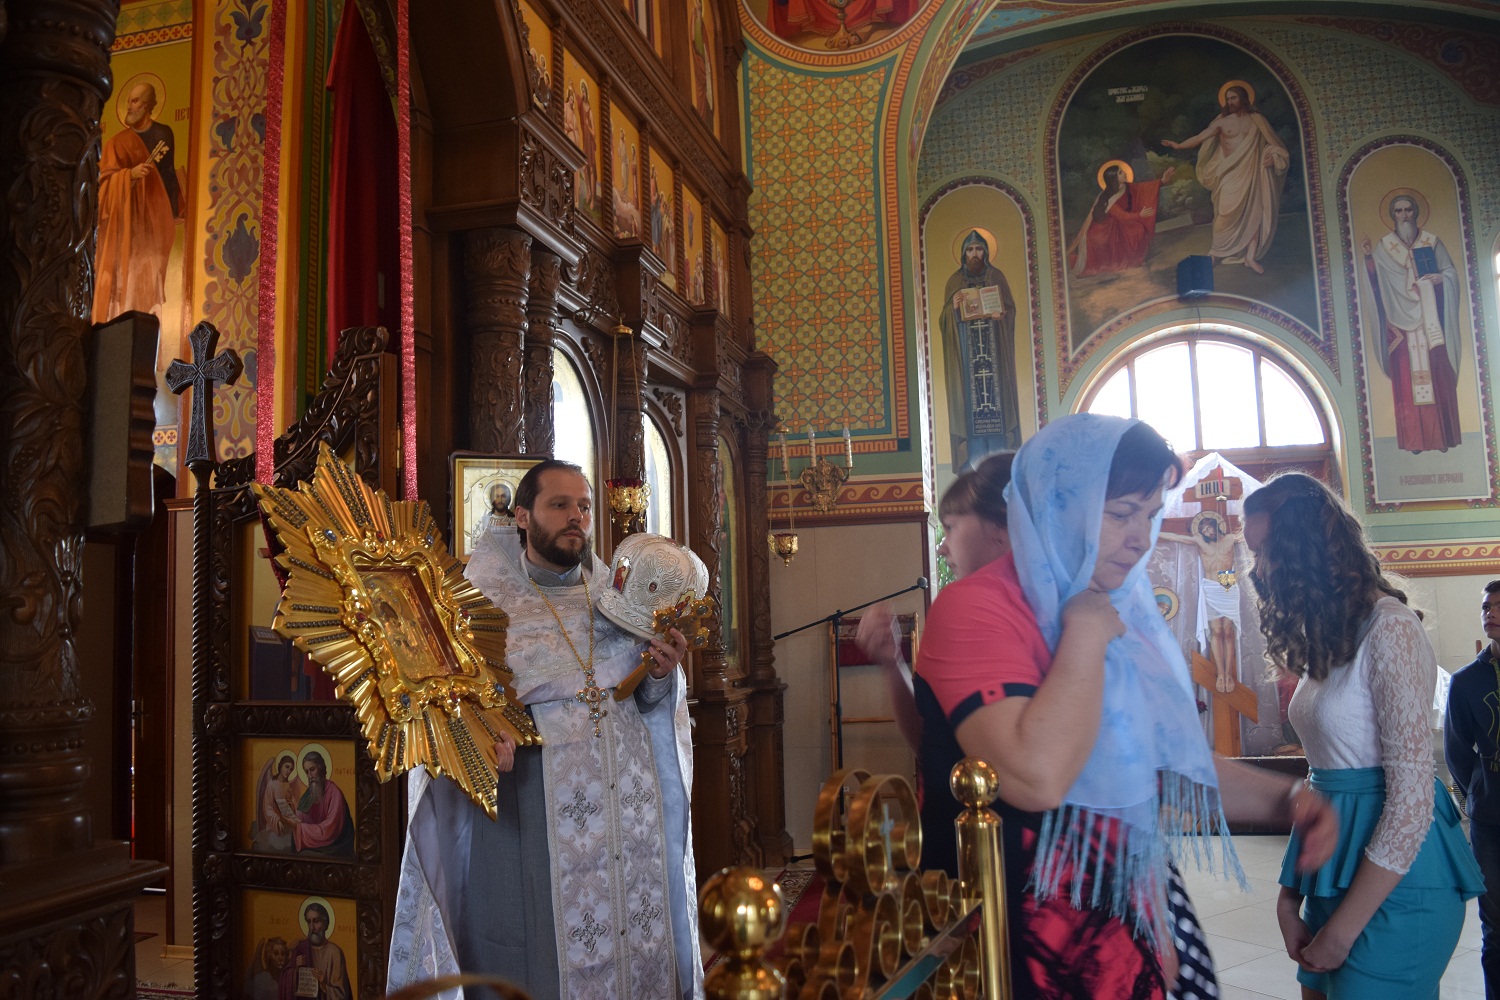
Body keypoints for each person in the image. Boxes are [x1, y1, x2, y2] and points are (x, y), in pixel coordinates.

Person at [916, 414, 1338, 999]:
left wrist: (1285, 800)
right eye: (1121, 514)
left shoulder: (1118, 608)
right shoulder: (978, 607)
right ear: (1060, 507)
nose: (1142, 537)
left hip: (1123, 900)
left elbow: (1156, 764)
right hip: (1015, 927)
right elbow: (1035, 777)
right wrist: (1085, 634)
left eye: (1150, 514)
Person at [388, 459, 702, 1000]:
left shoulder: (618, 598)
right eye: (559, 505)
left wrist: (659, 676)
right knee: (543, 956)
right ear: (522, 517)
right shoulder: (478, 604)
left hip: (629, 822)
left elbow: (647, 704)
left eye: (583, 506)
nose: (576, 517)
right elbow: (451, 712)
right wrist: (483, 738)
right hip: (536, 813)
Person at [1243, 472, 1483, 999]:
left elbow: (1413, 798)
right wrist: (1289, 896)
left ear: (1307, 544)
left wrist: (1343, 930)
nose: (1261, 569)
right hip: (1334, 864)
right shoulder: (1332, 634)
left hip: (1396, 880)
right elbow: (1323, 780)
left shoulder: (1388, 627)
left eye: (1267, 551)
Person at [855, 453, 1013, 866]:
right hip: (969, 830)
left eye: (951, 527)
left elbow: (1022, 777)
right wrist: (892, 664)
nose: (942, 546)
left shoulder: (964, 607)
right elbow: (928, 741)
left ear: (1000, 528)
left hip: (984, 840)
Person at [1360, 192, 1462, 454]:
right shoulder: (1384, 247)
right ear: (1393, 216)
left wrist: (1442, 279)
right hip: (1400, 325)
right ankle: (1414, 442)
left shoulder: (1431, 242)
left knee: (1438, 377)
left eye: (1408, 210)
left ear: (1415, 212)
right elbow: (1375, 283)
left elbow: (1450, 272)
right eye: (1399, 211)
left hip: (1432, 321)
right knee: (1406, 384)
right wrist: (1369, 258)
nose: (1404, 215)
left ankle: (1443, 439)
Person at [1161, 83, 1289, 274]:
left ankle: (1250, 257)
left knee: (1253, 214)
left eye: (1233, 98)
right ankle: (1215, 253)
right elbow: (1199, 137)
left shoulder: (1257, 120)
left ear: (1243, 98)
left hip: (1251, 173)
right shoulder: (1222, 122)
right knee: (1224, 214)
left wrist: (1272, 156)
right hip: (1229, 174)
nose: (1230, 102)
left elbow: (1275, 145)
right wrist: (1178, 146)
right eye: (1228, 99)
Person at [1445, 579, 1500, 1000]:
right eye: (1486, 606)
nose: (1490, 612)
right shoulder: (1466, 682)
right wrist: (1478, 793)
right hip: (1491, 820)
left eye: (1498, 606)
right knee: (1496, 925)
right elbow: (1458, 751)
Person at [93, 80, 182, 324]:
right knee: (124, 279)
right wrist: (128, 175)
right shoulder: (116, 143)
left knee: (148, 278)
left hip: (153, 221)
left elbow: (168, 175)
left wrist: (174, 212)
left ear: (148, 105)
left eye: (135, 101)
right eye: (128, 101)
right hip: (123, 226)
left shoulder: (163, 134)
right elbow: (102, 187)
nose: (129, 107)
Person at [939, 229, 1020, 472]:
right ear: (963, 254)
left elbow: (1010, 310)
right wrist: (953, 309)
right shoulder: (955, 281)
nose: (975, 254)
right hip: (967, 359)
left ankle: (1000, 470)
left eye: (979, 249)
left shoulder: (996, 276)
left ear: (986, 252)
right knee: (970, 410)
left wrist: (1001, 315)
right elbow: (944, 321)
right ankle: (971, 471)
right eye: (970, 249)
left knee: (998, 409)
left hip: (995, 358)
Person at [1159, 511, 1243, 694]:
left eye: (1209, 527)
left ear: (1216, 526)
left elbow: (1247, 535)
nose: (1207, 531)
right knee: (1216, 631)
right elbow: (1175, 537)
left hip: (1227, 581)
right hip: (1211, 585)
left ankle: (1229, 674)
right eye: (1204, 529)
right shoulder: (1200, 541)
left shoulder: (1229, 539)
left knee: (1228, 631)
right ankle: (1221, 674)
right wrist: (1153, 531)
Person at [1068, 163, 1177, 276]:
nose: (1124, 173)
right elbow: (1123, 216)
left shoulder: (1126, 187)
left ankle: (1134, 259)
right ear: (1114, 178)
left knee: (1138, 229)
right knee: (1136, 231)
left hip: (1119, 225)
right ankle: (1130, 261)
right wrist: (1140, 215)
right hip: (1105, 232)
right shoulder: (1108, 198)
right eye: (1120, 172)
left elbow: (1143, 189)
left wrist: (1162, 181)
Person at [280, 902, 350, 1000]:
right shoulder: (301, 948)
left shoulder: (335, 952)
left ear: (325, 924)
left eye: (316, 921)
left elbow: (342, 995)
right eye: (309, 922)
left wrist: (323, 984)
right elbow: (284, 981)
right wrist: (296, 970)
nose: (312, 927)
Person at [292, 751, 353, 857]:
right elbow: (303, 816)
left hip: (335, 845)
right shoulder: (310, 793)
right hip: (318, 840)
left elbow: (329, 830)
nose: (310, 776)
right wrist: (292, 814)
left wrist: (299, 827)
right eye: (307, 772)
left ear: (321, 768)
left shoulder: (334, 793)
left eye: (312, 769)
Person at [251, 753, 302, 853]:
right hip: (275, 824)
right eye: (287, 767)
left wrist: (292, 806)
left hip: (287, 821)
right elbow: (267, 807)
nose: (288, 771)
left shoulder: (287, 785)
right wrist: (277, 820)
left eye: (291, 769)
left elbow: (293, 803)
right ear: (280, 766)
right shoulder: (271, 784)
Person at [243, 936, 287, 1000]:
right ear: (268, 956)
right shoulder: (261, 979)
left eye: (283, 954)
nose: (280, 958)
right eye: (276, 953)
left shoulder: (287, 979)